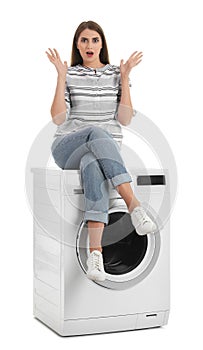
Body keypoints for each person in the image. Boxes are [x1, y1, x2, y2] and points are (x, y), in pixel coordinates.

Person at [46, 20, 156, 282]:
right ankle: (134, 205)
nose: (89, 45)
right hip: (67, 148)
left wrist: (126, 78)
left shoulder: (117, 74)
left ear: (102, 44)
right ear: (77, 44)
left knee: (93, 164)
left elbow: (126, 118)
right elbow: (59, 119)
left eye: (95, 40)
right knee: (98, 132)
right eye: (84, 40)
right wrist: (61, 78)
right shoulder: (70, 73)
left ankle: (95, 254)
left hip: (101, 154)